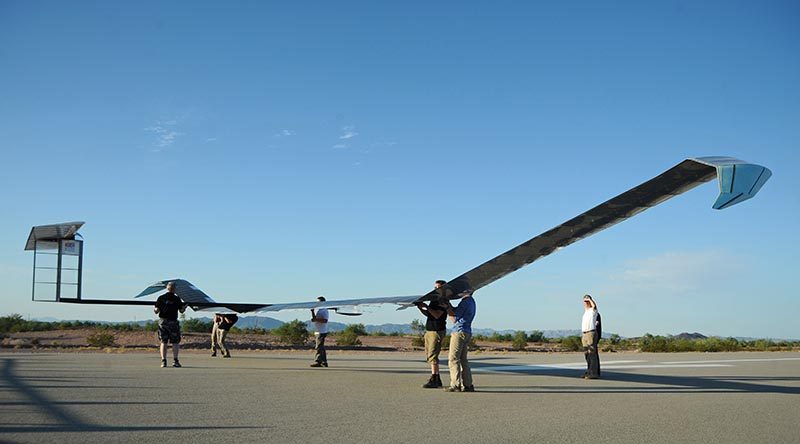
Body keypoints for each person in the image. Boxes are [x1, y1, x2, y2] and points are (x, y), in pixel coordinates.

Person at [416, 281, 448, 388]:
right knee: (430, 356)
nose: (436, 289)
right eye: (435, 287)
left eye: (438, 287)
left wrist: (427, 307)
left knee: (433, 355)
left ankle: (435, 379)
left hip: (437, 331)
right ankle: (435, 378)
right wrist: (421, 307)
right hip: (430, 331)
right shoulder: (434, 301)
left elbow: (437, 315)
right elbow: (429, 314)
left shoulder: (443, 301)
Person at [444, 290, 476, 392]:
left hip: (459, 331)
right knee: (463, 360)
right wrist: (449, 305)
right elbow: (457, 311)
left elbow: (454, 318)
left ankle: (455, 384)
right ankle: (468, 384)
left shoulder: (464, 302)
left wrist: (447, 307)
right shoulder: (471, 301)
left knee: (453, 358)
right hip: (466, 331)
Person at [154, 282, 187, 368]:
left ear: (167, 288)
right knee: (175, 342)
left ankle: (163, 361)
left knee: (163, 342)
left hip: (163, 322)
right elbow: (181, 311)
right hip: (173, 322)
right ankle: (175, 360)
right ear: (174, 289)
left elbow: (156, 310)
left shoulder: (161, 298)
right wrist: (185, 307)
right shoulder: (176, 299)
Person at [581, 294, 602, 379]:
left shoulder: (593, 311)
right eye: (584, 302)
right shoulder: (586, 312)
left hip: (591, 333)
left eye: (587, 302)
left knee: (592, 353)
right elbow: (585, 306)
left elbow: (594, 306)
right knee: (587, 354)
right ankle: (589, 371)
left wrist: (590, 299)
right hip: (585, 333)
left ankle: (594, 373)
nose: (585, 303)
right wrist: (585, 300)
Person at [310, 296, 329, 368]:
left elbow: (325, 320)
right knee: (321, 347)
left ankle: (318, 361)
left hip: (321, 331)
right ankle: (324, 362)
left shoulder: (324, 310)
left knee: (319, 347)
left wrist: (316, 320)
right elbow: (315, 319)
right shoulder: (319, 310)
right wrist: (312, 312)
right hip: (318, 331)